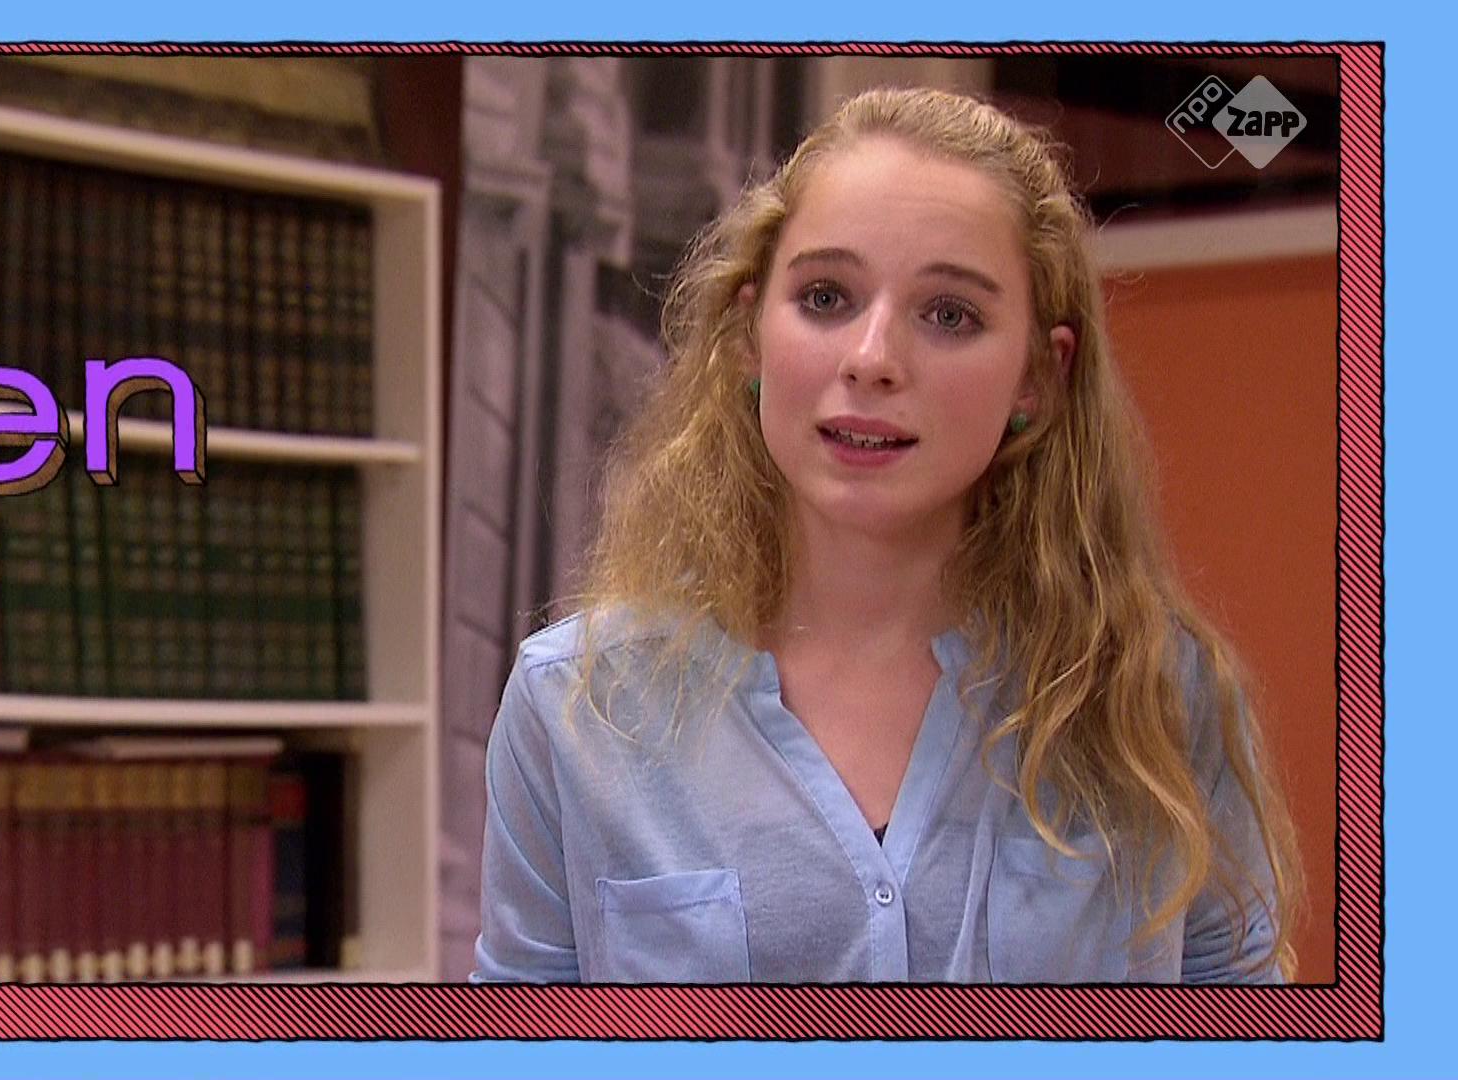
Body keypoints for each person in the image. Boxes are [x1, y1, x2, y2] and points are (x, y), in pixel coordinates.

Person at [470, 87, 1303, 984]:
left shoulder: (1156, 696)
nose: (870, 359)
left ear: (1037, 374)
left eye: (949, 314)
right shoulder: (575, 706)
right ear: (750, 336)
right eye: (825, 297)